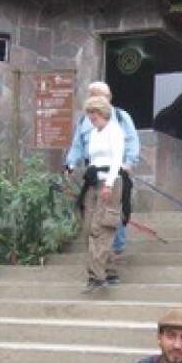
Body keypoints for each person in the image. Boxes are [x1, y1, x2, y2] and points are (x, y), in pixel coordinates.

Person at [65, 81, 140, 255]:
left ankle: (115, 251)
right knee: (93, 214)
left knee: (112, 213)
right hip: (92, 175)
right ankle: (98, 254)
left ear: (108, 98)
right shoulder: (85, 121)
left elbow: (132, 141)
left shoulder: (121, 117)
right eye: (94, 95)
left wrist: (129, 162)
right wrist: (70, 163)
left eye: (102, 95)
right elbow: (77, 145)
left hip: (116, 173)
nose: (98, 99)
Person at [77, 95, 125, 292]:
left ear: (103, 113)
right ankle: (109, 270)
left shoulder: (114, 131)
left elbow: (116, 160)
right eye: (89, 115)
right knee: (89, 226)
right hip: (94, 182)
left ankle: (96, 275)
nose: (91, 119)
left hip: (109, 182)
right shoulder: (95, 133)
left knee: (102, 227)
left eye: (93, 115)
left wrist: (110, 184)